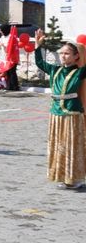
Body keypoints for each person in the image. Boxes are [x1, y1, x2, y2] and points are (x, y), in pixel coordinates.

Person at [34, 30, 86, 189]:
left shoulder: (80, 72)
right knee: (59, 146)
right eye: (62, 53)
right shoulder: (55, 70)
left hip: (72, 114)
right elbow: (40, 63)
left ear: (76, 56)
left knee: (72, 146)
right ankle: (62, 176)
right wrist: (38, 46)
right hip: (56, 114)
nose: (63, 56)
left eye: (67, 53)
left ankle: (74, 178)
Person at [0, 24, 20, 91]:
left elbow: (11, 47)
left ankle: (15, 86)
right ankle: (9, 86)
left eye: (1, 30)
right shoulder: (2, 37)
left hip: (12, 57)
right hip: (5, 57)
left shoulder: (11, 37)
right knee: (7, 72)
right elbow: (0, 46)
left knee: (12, 72)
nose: (0, 32)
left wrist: (4, 46)